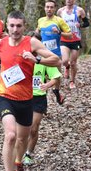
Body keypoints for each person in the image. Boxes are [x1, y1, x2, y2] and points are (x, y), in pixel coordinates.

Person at [0, 11, 61, 171]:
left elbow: (57, 60)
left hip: (26, 99)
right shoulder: (1, 43)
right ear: (7, 26)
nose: (15, 29)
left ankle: (18, 161)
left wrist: (37, 59)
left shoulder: (32, 43)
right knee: (11, 136)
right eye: (12, 25)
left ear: (24, 26)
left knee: (22, 139)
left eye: (19, 26)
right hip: (5, 96)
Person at [22, 31, 62, 166]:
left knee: (33, 128)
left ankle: (28, 153)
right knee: (21, 130)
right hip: (22, 97)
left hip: (38, 98)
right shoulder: (21, 58)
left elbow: (56, 77)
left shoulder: (44, 61)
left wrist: (47, 85)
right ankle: (17, 154)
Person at [36, 0, 72, 104]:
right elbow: (37, 34)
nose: (49, 9)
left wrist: (59, 32)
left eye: (51, 7)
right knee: (42, 77)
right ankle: (42, 101)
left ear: (55, 9)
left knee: (56, 76)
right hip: (42, 54)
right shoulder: (40, 20)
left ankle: (56, 91)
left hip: (55, 54)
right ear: (44, 8)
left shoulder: (59, 20)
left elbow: (70, 35)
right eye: (47, 7)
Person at [57, 0, 89, 89]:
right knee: (65, 61)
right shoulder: (60, 11)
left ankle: (72, 81)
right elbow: (56, 23)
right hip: (64, 39)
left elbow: (87, 23)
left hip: (75, 39)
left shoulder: (79, 10)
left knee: (74, 62)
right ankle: (66, 67)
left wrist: (80, 25)